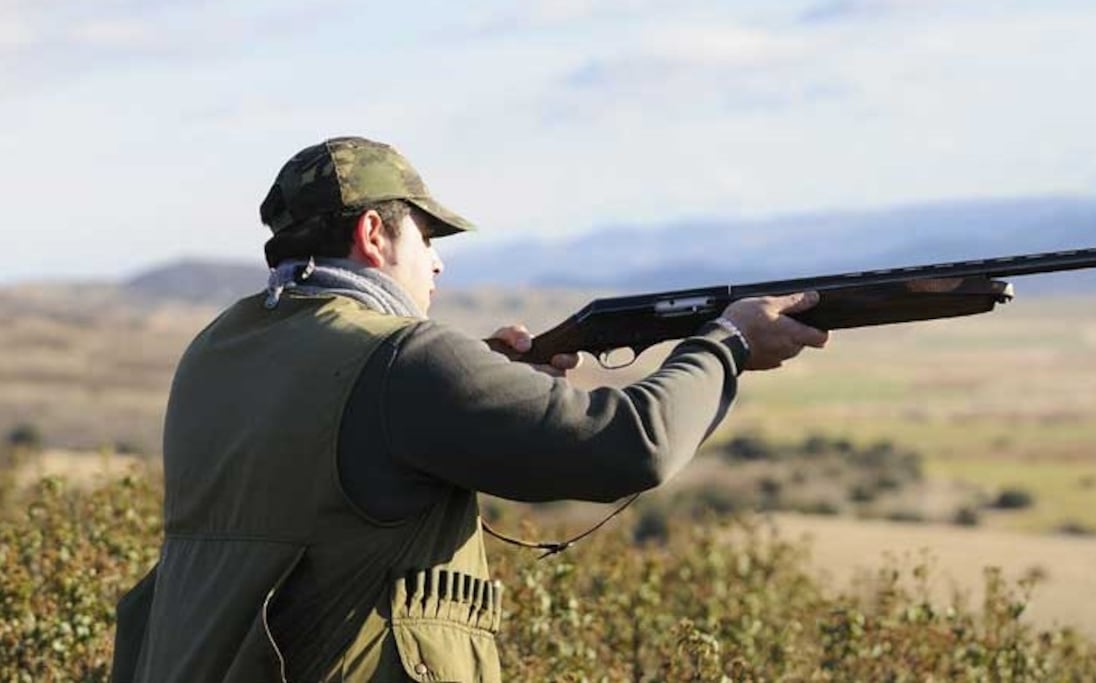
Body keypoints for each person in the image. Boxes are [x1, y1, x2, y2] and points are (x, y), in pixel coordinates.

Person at [110, 136, 829, 683]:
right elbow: (630, 446)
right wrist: (728, 342)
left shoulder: (214, 352)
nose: (439, 264)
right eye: (427, 238)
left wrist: (484, 376)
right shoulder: (404, 361)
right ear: (372, 235)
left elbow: (327, 457)